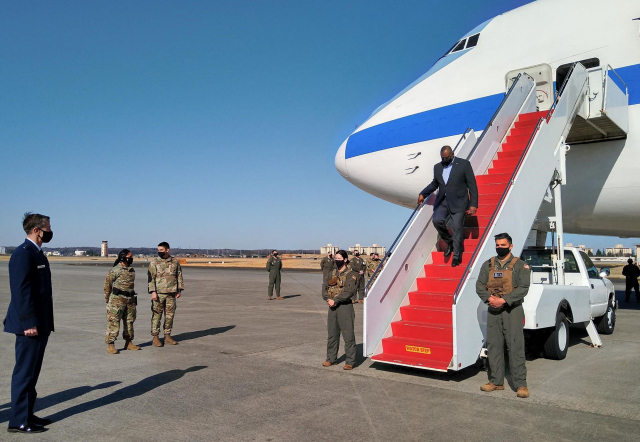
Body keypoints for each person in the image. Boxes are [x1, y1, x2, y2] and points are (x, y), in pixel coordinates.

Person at [3, 213, 55, 433]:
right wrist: (28, 322)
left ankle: (27, 413)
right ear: (37, 230)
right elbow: (21, 292)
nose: (50, 231)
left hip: (40, 323)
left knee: (32, 372)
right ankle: (17, 421)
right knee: (24, 372)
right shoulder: (23, 254)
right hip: (29, 325)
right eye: (48, 227)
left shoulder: (37, 253)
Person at [476, 233, 531, 398]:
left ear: (511, 246)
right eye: (497, 245)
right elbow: (480, 285)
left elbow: (523, 288)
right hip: (493, 310)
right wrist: (490, 299)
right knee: (494, 346)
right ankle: (496, 381)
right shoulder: (488, 265)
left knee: (515, 346)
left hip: (512, 311)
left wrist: (504, 300)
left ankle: (521, 384)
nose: (500, 247)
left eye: (503, 245)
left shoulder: (520, 265)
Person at [417, 145, 478, 267]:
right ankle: (449, 241)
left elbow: (472, 185)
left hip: (459, 201)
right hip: (443, 201)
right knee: (437, 220)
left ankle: (456, 255)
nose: (444, 160)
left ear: (452, 154)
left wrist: (473, 204)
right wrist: (423, 193)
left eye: (446, 157)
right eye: (442, 158)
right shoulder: (438, 167)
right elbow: (435, 184)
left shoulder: (464, 164)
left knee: (456, 227)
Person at [322, 250, 357, 370]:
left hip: (345, 307)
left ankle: (350, 361)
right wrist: (327, 299)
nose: (337, 261)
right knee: (332, 334)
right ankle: (331, 359)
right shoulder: (331, 273)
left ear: (345, 260)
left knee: (348, 335)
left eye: (339, 258)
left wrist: (335, 300)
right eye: (336, 258)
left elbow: (349, 291)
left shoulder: (351, 274)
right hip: (332, 307)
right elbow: (324, 287)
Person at [104, 249, 140, 354]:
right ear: (123, 257)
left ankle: (128, 342)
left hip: (130, 300)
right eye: (130, 256)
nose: (131, 258)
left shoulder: (131, 270)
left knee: (129, 322)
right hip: (117, 300)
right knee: (114, 322)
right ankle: (110, 344)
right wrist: (107, 299)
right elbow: (107, 285)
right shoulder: (115, 270)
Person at [148, 242, 184, 347]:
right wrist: (153, 292)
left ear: (167, 250)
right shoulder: (154, 262)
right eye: (158, 250)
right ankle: (155, 337)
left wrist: (179, 290)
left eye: (161, 250)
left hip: (171, 293)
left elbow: (179, 276)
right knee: (157, 315)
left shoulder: (175, 262)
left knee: (169, 316)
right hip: (159, 293)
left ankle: (167, 335)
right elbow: (151, 278)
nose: (159, 252)